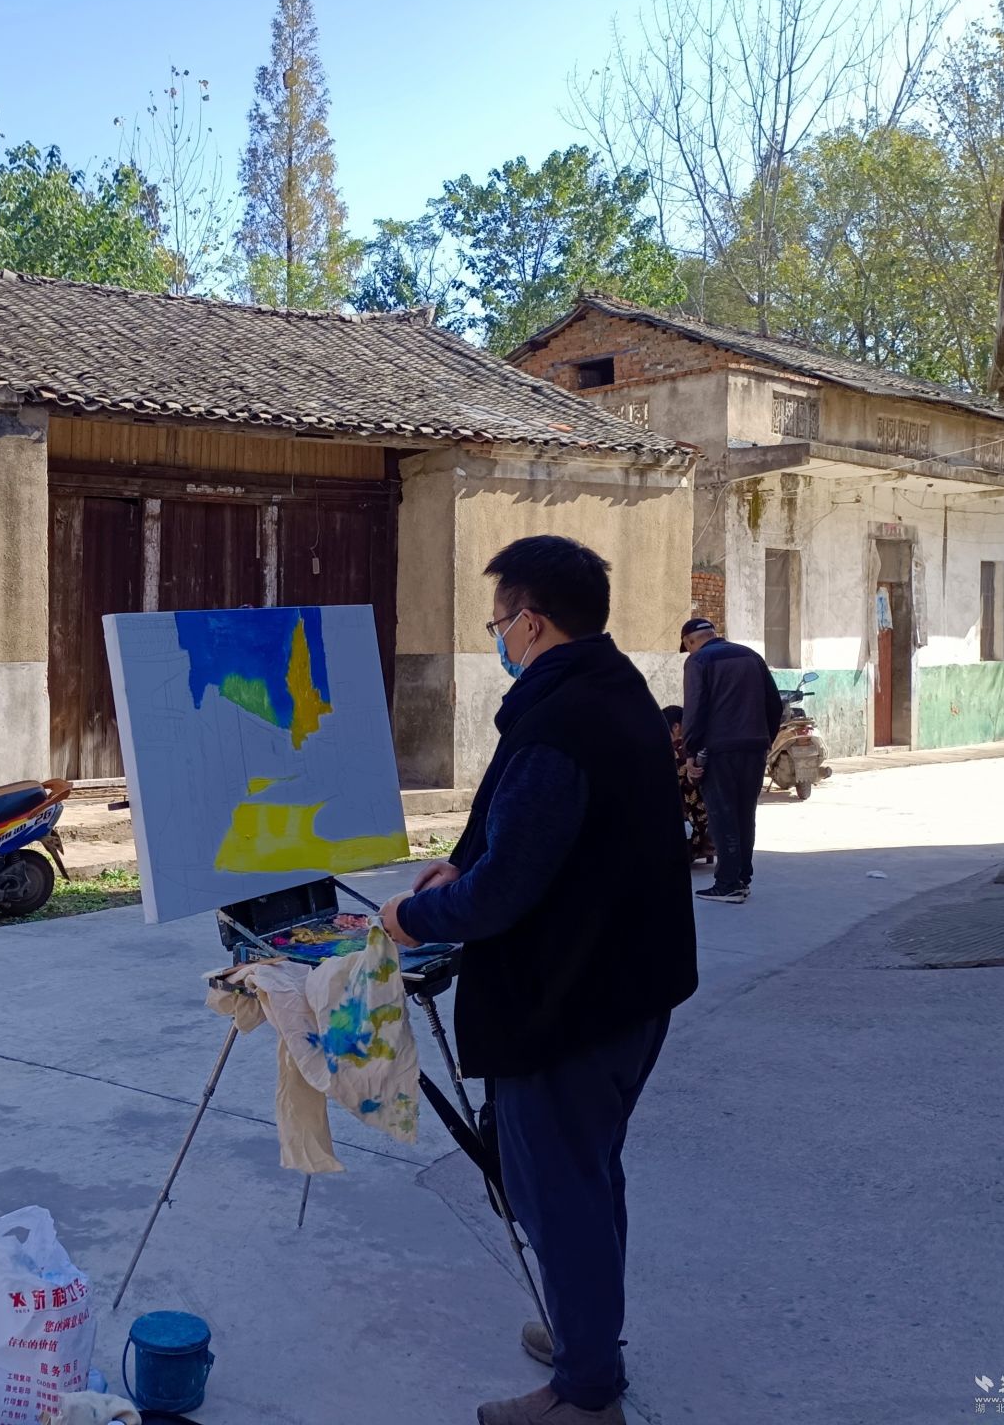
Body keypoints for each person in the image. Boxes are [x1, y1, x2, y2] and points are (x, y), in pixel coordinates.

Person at [380, 536, 698, 1425]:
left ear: (531, 622)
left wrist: (414, 918)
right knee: (587, 1177)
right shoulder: (612, 690)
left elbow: (503, 894)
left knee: (558, 1193)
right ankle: (585, 1334)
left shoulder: (564, 723)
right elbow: (528, 833)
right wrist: (462, 861)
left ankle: (586, 1395)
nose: (498, 641)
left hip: (570, 1002)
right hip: (628, 990)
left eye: (498, 626)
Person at [679, 618, 783, 904]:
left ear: (689, 641)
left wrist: (690, 753)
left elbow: (694, 709)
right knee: (744, 814)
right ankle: (742, 879)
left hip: (719, 751)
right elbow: (774, 705)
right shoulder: (751, 656)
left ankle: (727, 884)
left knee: (723, 815)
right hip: (754, 747)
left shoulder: (698, 661)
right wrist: (765, 739)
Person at [662, 704, 714, 868]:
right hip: (703, 803)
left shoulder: (676, 749)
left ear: (675, 727)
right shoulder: (694, 746)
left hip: (689, 805)